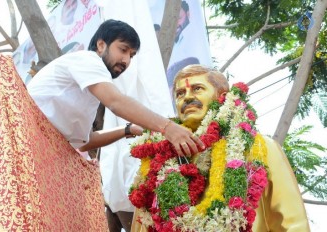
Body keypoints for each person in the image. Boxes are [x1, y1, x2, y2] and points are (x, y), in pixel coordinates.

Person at [130, 65, 310, 231]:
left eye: (197, 89)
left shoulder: (260, 148)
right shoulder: (156, 164)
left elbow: (292, 222)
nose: (187, 97)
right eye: (180, 93)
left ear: (221, 96)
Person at [27, 19, 203, 157]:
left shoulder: (90, 85)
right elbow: (116, 102)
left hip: (42, 147)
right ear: (101, 45)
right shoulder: (88, 60)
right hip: (27, 139)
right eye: (123, 49)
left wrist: (127, 130)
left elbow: (84, 141)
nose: (126, 61)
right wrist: (168, 128)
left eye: (131, 55)